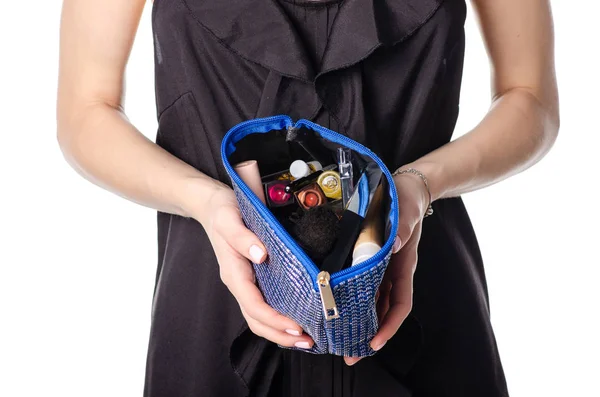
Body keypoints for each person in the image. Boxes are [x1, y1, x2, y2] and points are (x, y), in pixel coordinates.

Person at [56, 0, 559, 396]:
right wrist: (206, 202)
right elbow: (85, 111)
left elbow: (530, 98)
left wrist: (420, 184)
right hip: (212, 307)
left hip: (418, 294)